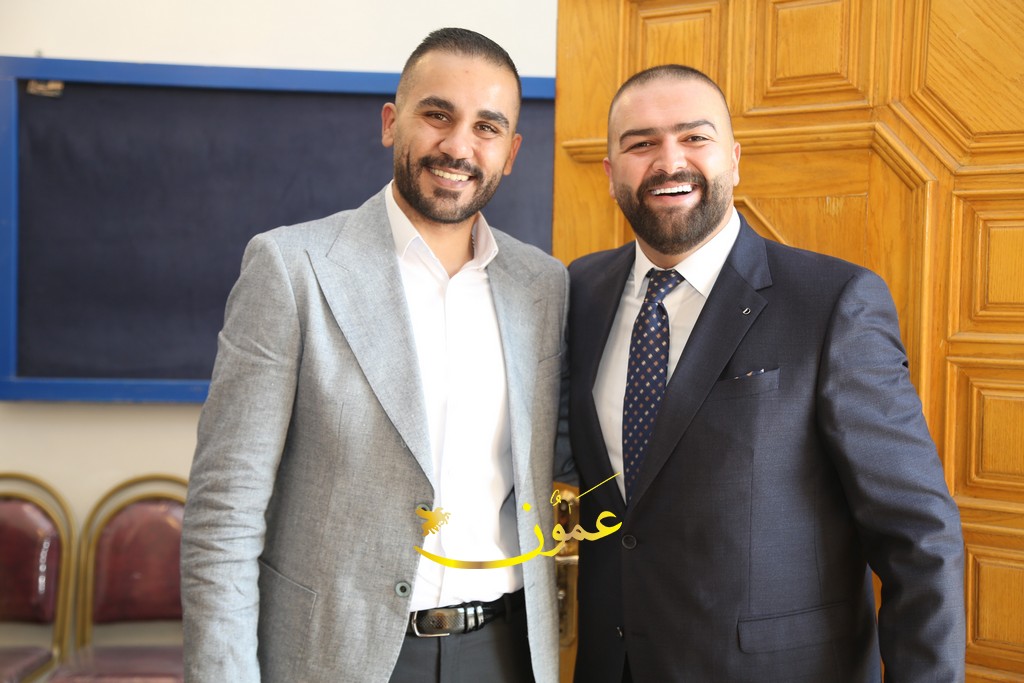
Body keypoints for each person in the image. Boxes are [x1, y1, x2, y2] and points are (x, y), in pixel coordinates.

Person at [181, 28, 571, 683]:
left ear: (511, 152)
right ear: (392, 122)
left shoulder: (543, 285)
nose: (458, 146)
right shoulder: (292, 269)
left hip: (504, 652)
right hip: (337, 653)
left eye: (487, 127)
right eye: (437, 114)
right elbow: (225, 512)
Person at [566, 64, 965, 682]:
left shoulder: (833, 302)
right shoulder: (579, 290)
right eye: (641, 143)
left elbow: (919, 536)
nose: (669, 161)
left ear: (734, 159)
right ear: (611, 172)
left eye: (695, 137)